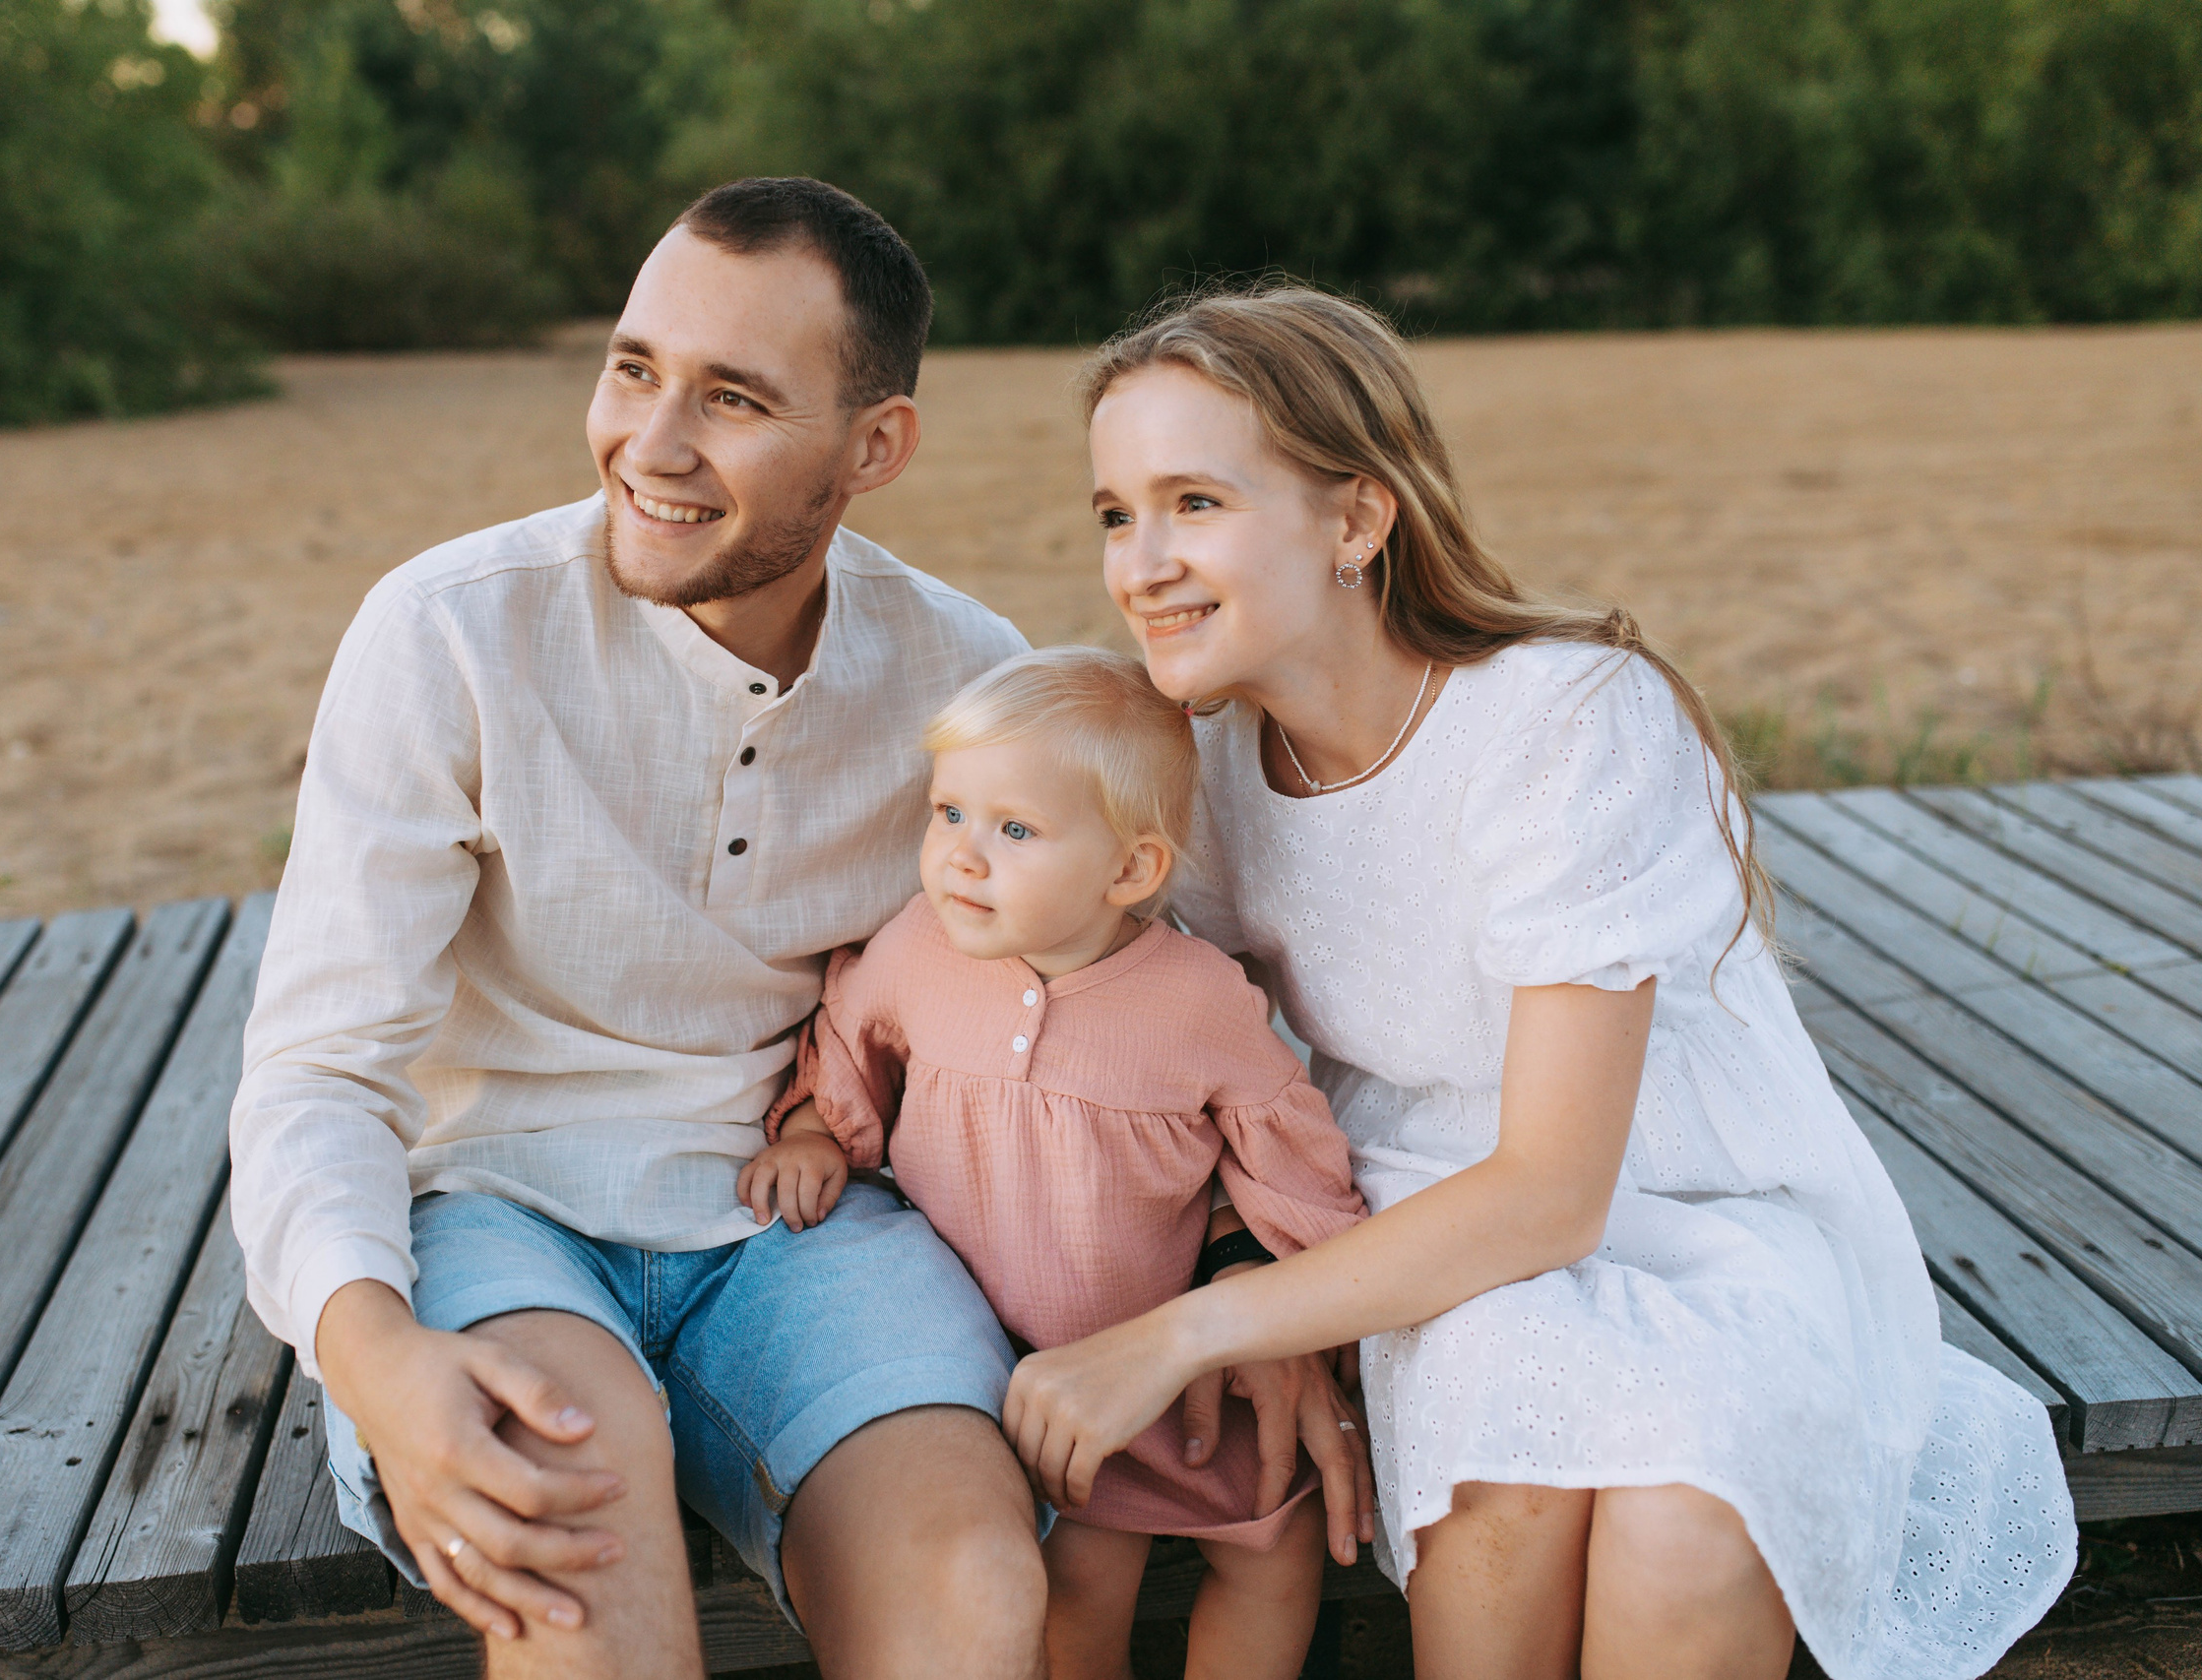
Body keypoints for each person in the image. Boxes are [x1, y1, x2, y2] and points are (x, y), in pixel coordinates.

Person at [997, 285, 2077, 1680]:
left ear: (1356, 521)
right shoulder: (1192, 778)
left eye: (1193, 501)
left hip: (1688, 1199)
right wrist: (1236, 1257)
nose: (1140, 562)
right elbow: (1158, 1049)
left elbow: (1560, 1187)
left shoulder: (1568, 719)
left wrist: (1180, 1334)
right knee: (1507, 1467)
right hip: (1417, 1206)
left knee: (1683, 1520)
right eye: (1113, 513)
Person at [227, 177, 1052, 1680]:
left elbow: (1091, 985)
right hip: (495, 1202)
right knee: (577, 1561)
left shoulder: (964, 674)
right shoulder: (451, 631)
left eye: (732, 398)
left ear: (875, 447)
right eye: (632, 368)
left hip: (806, 1222)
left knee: (978, 1585)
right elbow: (318, 1068)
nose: (649, 446)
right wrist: (377, 1357)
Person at [739, 646, 1367, 1680]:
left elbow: (1281, 1144)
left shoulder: (1196, 997)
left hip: (1181, 1360)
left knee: (1273, 1553)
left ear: (1130, 870)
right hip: (1021, 1384)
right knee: (1078, 1590)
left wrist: (1299, 1289)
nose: (961, 857)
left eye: (1014, 830)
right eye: (948, 814)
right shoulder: (915, 952)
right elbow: (848, 1038)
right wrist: (815, 1130)